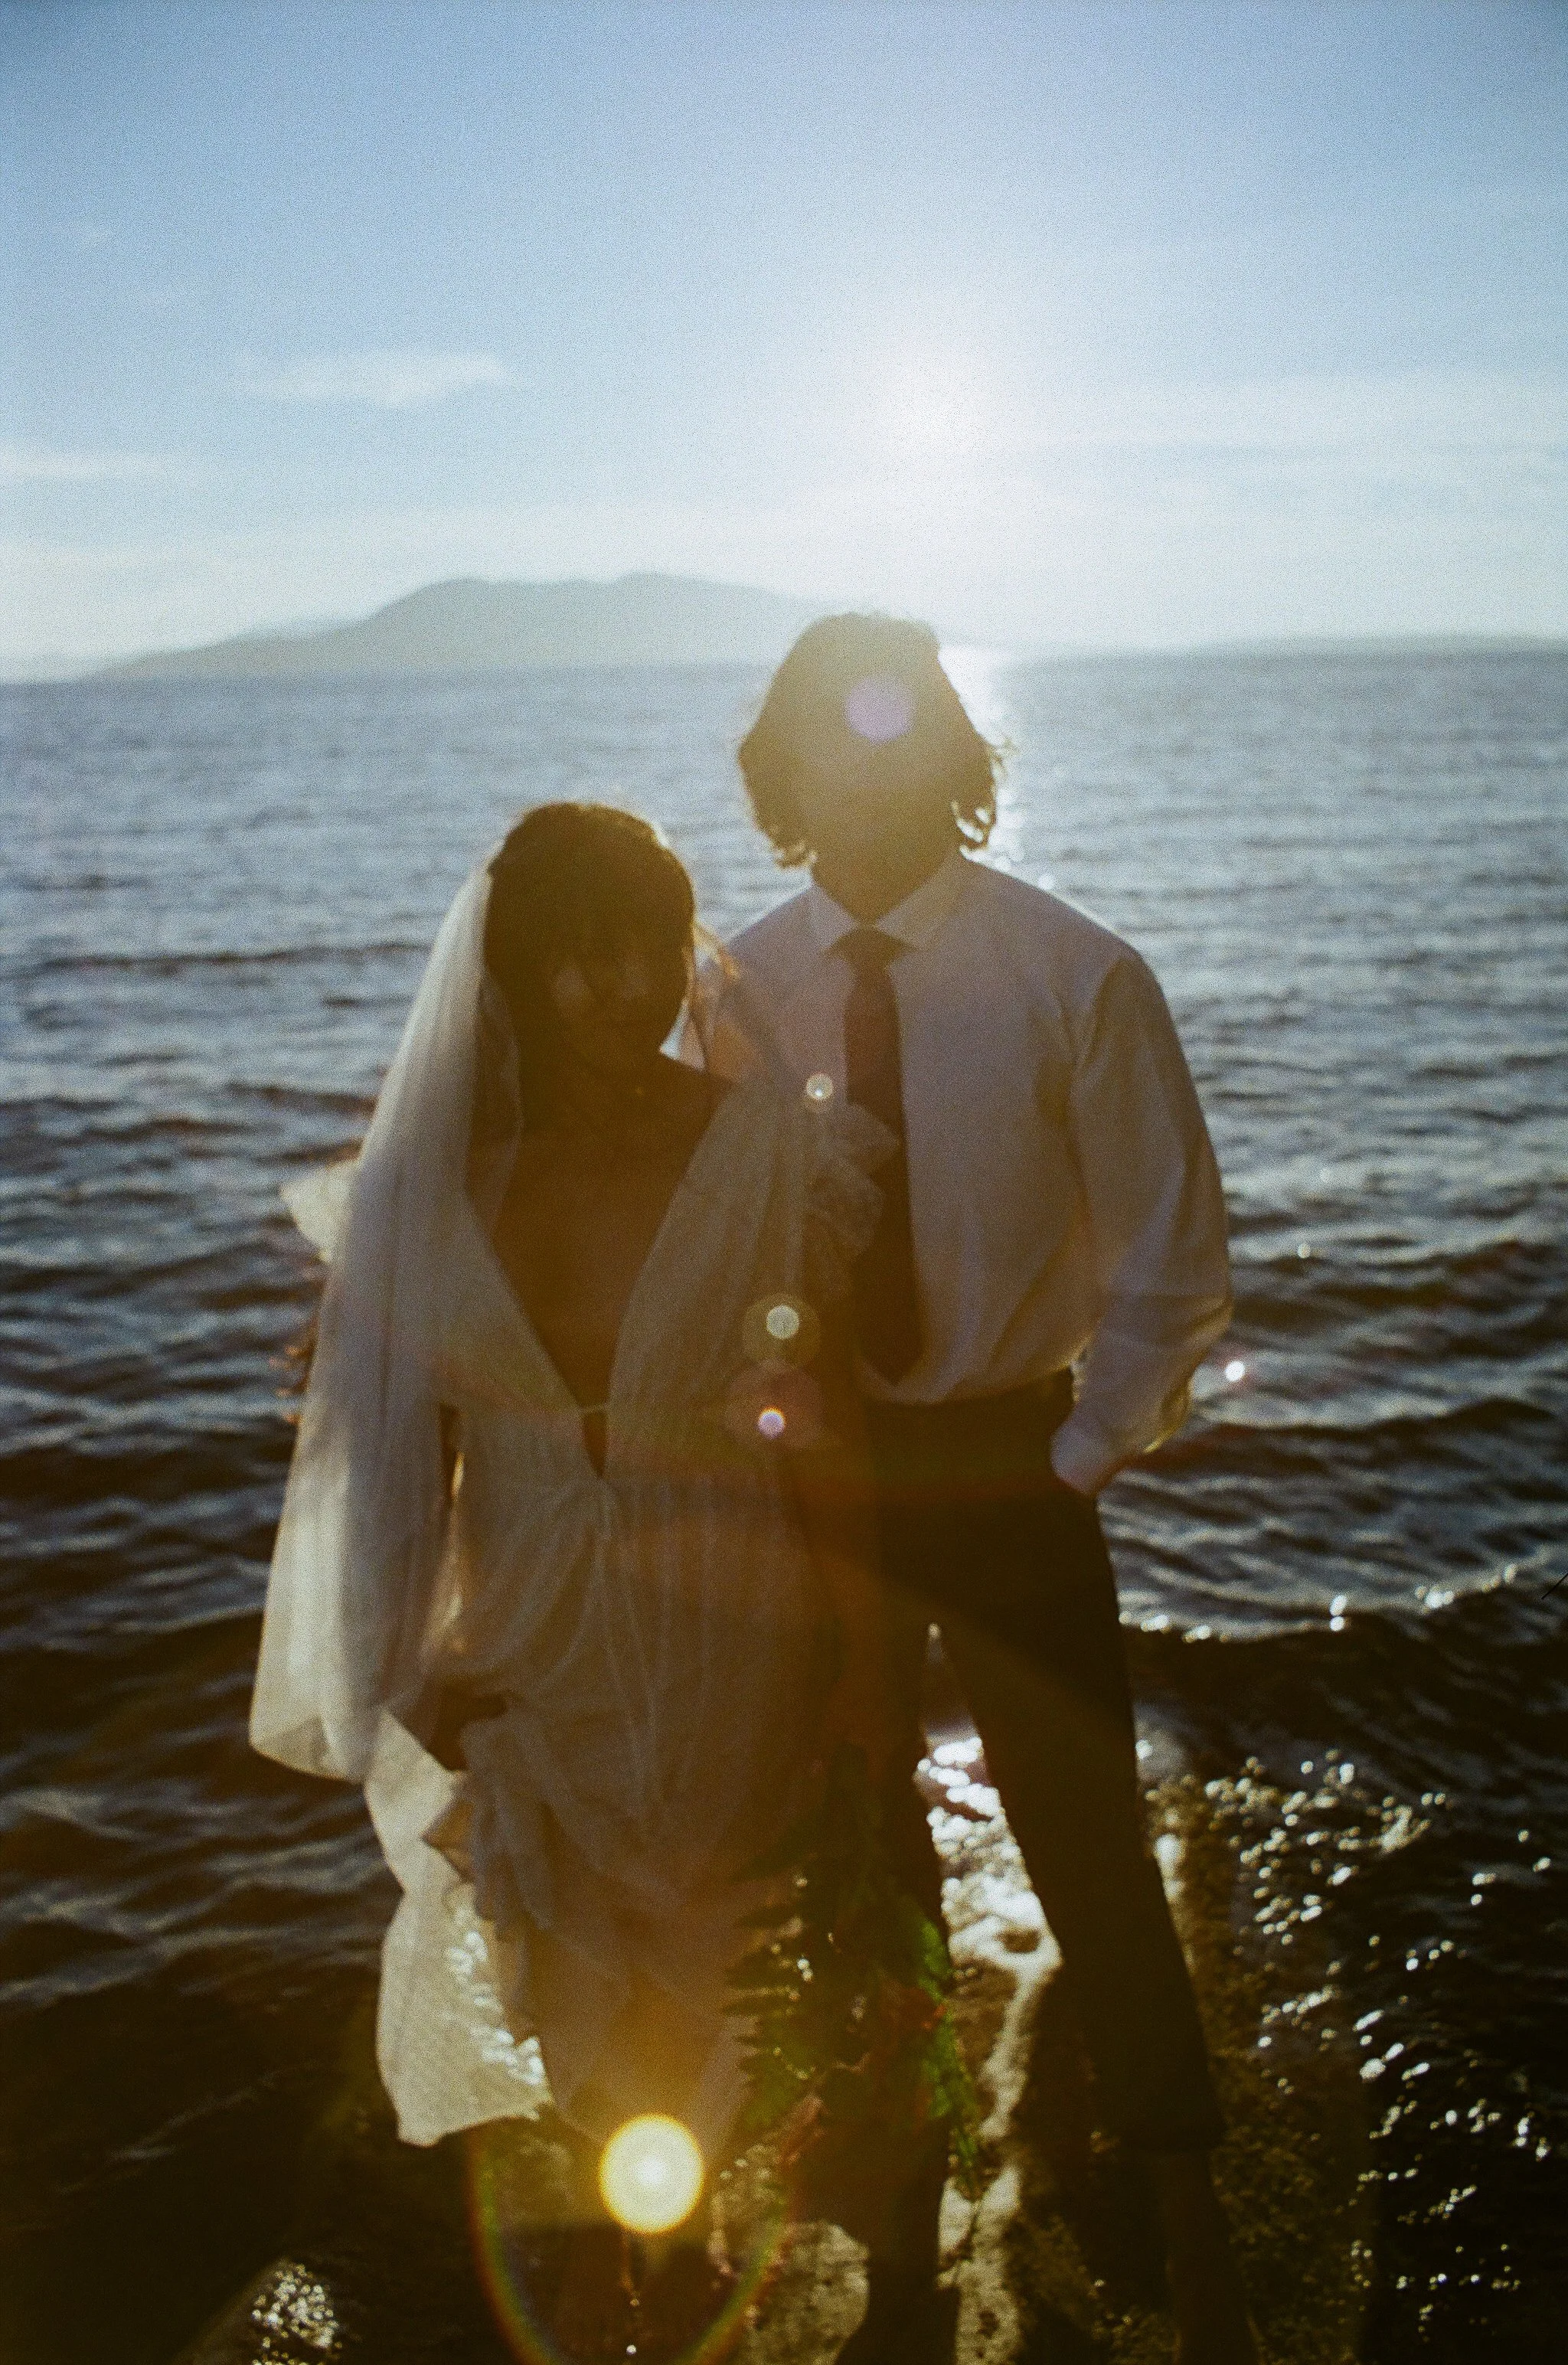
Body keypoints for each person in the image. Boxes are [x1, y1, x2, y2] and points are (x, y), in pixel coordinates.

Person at [250, 802, 897, 2357]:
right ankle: (624, 2246)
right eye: (579, 954)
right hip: (533, 1631)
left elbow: (822, 1421)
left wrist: (872, 1660)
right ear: (517, 972)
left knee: (726, 1953)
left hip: (735, 1616)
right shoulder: (440, 1187)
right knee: (574, 1962)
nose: (622, 985)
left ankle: (691, 2245)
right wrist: (410, 1660)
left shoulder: (768, 1152)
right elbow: (395, 1452)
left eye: (648, 945)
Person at [697, 616, 1259, 2364]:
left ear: (945, 753)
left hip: (1014, 1462)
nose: (857, 771)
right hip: (824, 1486)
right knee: (860, 1858)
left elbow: (1175, 1265)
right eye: (823, 739)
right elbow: (711, 1258)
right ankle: (898, 2232)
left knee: (1088, 1845)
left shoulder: (1073, 973)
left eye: (889, 735)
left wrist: (1071, 1457)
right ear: (785, 773)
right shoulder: (739, 991)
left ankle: (1186, 2204)